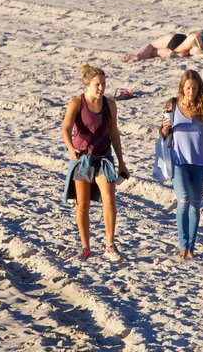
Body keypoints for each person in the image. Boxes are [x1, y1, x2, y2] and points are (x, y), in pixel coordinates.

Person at [61, 63, 129, 262]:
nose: (101, 88)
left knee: (109, 199)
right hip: (82, 160)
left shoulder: (110, 105)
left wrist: (121, 162)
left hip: (104, 158)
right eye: (97, 85)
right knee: (82, 205)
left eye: (104, 84)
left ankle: (109, 245)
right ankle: (86, 248)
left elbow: (113, 133)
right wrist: (71, 148)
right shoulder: (76, 103)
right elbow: (65, 128)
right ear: (86, 84)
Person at [159, 70, 203, 261]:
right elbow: (163, 134)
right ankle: (182, 245)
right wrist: (164, 129)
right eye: (188, 88)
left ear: (200, 89)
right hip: (178, 160)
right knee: (183, 200)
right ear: (182, 87)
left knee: (195, 205)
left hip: (200, 162)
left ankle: (191, 247)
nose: (191, 92)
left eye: (195, 88)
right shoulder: (171, 105)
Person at [122, 26, 203, 62]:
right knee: (154, 53)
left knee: (152, 46)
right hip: (194, 48)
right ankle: (176, 54)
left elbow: (197, 33)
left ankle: (138, 56)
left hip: (188, 39)